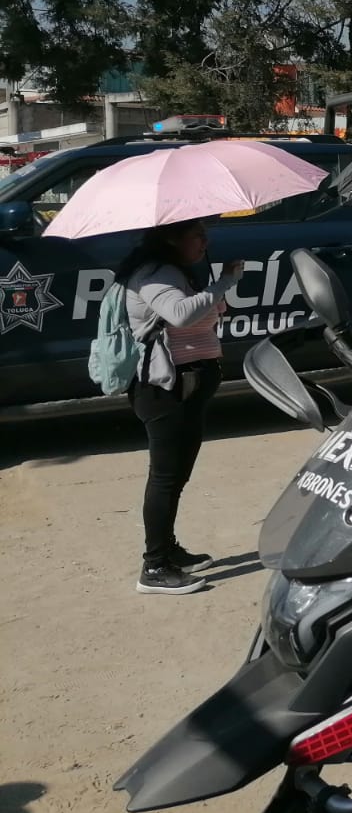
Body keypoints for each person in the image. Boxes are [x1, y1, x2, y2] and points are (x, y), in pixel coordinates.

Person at [121, 220, 243, 595]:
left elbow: (206, 314)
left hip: (188, 384)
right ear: (172, 238)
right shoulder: (155, 274)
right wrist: (224, 282)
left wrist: (217, 288)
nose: (205, 241)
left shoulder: (176, 272)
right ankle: (154, 568)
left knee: (176, 476)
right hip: (165, 389)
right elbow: (181, 315)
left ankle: (168, 549)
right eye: (197, 235)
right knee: (165, 477)